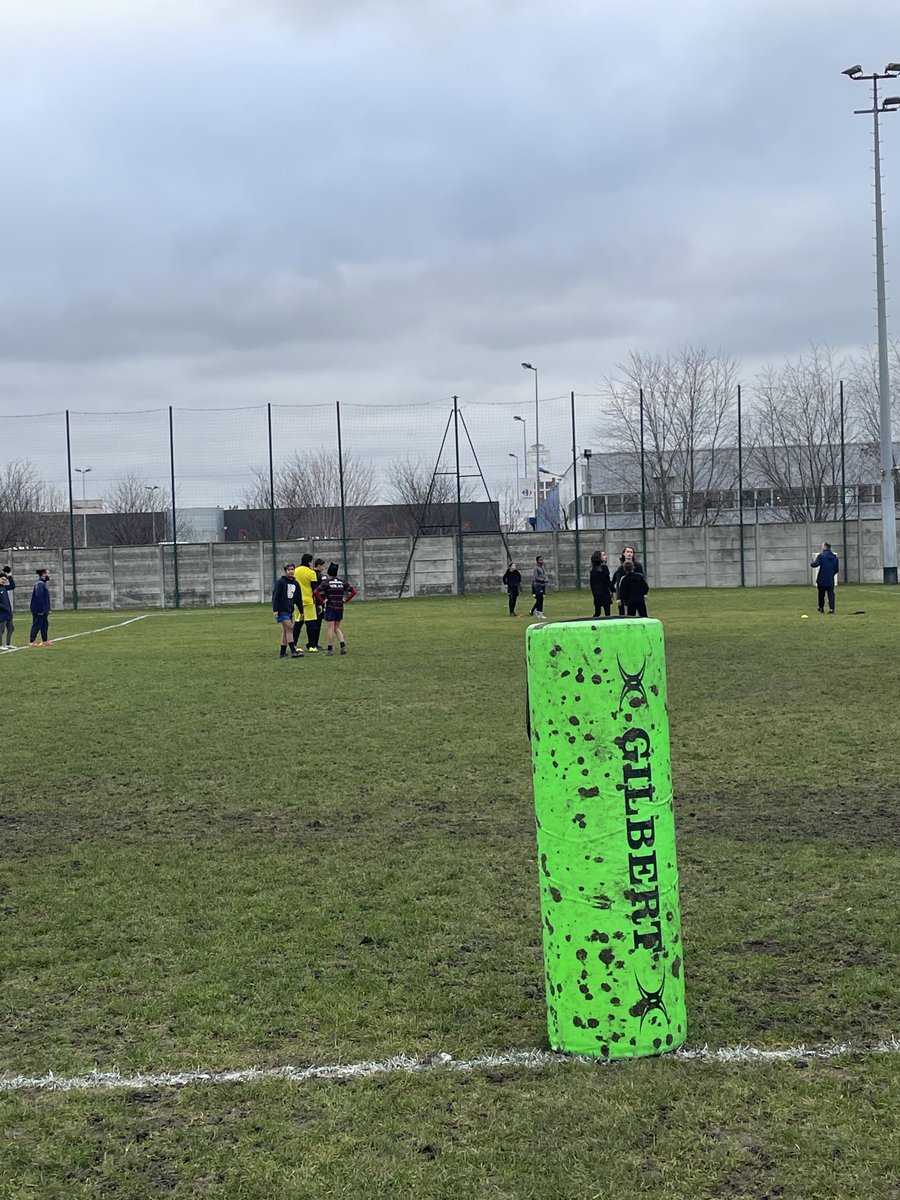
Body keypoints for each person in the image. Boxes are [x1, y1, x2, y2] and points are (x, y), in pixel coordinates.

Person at [314, 562, 357, 655]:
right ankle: (343, 646)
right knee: (337, 628)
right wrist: (346, 600)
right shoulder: (342, 582)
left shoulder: (326, 583)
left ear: (328, 574)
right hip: (339, 607)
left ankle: (330, 649)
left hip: (330, 607)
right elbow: (353, 591)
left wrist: (322, 601)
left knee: (330, 628)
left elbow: (316, 592)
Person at [271, 564, 303, 659]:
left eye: (292, 569)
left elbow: (298, 598)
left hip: (289, 610)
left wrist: (301, 610)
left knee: (286, 631)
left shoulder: (296, 583)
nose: (291, 571)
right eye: (289, 570)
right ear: (285, 571)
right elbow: (275, 596)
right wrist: (275, 609)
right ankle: (293, 650)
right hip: (282, 610)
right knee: (290, 628)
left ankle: (283, 652)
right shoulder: (281, 582)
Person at [293, 553, 320, 652]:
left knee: (298, 624)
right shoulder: (311, 573)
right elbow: (315, 589)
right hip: (308, 601)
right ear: (309, 562)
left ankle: (294, 645)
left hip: (297, 601)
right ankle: (312, 646)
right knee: (311, 624)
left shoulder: (295, 571)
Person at [612, 546, 645, 616]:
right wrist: (618, 597)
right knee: (624, 614)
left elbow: (643, 581)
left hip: (637, 595)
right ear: (624, 554)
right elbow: (618, 583)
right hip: (625, 596)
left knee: (642, 614)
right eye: (627, 552)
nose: (629, 554)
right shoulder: (620, 569)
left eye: (631, 552)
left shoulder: (638, 566)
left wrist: (645, 593)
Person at [304, 557, 327, 651]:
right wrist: (322, 602)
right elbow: (321, 590)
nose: (324, 568)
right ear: (319, 566)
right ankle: (314, 643)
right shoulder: (320, 576)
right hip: (318, 602)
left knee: (311, 623)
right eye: (323, 566)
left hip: (312, 601)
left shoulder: (311, 573)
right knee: (317, 624)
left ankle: (311, 642)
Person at [811, 541, 839, 614]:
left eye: (822, 546)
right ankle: (832, 609)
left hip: (822, 578)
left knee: (821, 594)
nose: (821, 547)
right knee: (831, 594)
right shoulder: (834, 557)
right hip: (830, 579)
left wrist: (812, 563)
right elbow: (836, 569)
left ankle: (821, 608)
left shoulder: (821, 556)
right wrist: (831, 574)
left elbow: (816, 564)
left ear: (825, 547)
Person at [29, 568, 53, 646]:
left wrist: (47, 609)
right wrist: (40, 610)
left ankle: (45, 640)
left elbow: (45, 598)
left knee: (44, 625)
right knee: (37, 624)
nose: (49, 575)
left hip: (44, 609)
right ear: (43, 574)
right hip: (38, 609)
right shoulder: (39, 583)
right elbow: (39, 597)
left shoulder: (43, 583)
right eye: (48, 573)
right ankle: (32, 641)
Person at [588, 550, 612, 618]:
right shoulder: (604, 567)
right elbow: (607, 581)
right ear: (599, 557)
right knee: (607, 613)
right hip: (604, 592)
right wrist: (613, 589)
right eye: (603, 555)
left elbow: (592, 583)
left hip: (596, 593)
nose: (606, 556)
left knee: (597, 613)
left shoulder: (593, 569)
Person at [0, 565, 15, 650]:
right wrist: (4, 608)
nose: (4, 581)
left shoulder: (4, 587)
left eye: (5, 580)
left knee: (11, 628)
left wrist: (9, 576)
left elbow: (12, 586)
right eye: (2, 579)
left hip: (8, 612)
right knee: (1, 630)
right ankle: (0, 645)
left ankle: (8, 644)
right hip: (2, 613)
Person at [530, 555, 549, 620]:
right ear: (537, 561)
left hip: (543, 585)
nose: (542, 561)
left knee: (542, 599)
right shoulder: (536, 568)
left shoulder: (542, 567)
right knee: (539, 599)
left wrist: (546, 579)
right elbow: (536, 577)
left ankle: (539, 613)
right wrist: (543, 580)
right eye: (540, 560)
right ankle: (539, 613)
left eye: (542, 559)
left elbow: (544, 574)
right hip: (538, 585)